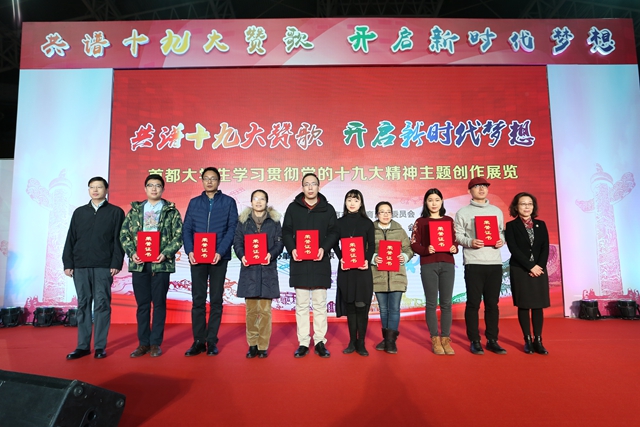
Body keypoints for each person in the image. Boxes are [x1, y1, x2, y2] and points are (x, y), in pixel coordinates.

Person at [119, 174, 183, 358]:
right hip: (139, 264)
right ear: (145, 188)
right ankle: (143, 343)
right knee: (143, 305)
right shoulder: (135, 211)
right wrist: (132, 252)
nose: (154, 188)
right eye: (150, 185)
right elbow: (124, 234)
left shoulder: (171, 211)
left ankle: (155, 343)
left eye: (158, 185)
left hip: (161, 264)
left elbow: (178, 236)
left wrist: (166, 253)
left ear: (163, 189)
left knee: (159, 304)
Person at [62, 176, 125, 360]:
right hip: (80, 265)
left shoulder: (116, 212)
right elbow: (70, 238)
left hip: (103, 266)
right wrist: (68, 263)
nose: (95, 190)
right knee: (83, 304)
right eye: (92, 187)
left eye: (99, 187)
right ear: (88, 190)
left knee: (102, 304)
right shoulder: (79, 212)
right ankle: (82, 346)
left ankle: (99, 346)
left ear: (106, 190)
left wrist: (116, 263)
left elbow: (119, 240)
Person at [282, 173, 339, 358]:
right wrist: (292, 249)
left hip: (320, 261)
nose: (310, 187)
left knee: (320, 304)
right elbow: (286, 231)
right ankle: (303, 342)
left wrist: (324, 248)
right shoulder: (293, 208)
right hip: (299, 262)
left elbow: (334, 232)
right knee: (302, 304)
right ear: (302, 188)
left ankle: (320, 341)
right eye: (306, 184)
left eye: (313, 184)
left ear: (318, 187)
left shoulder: (327, 209)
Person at [182, 167, 238, 356]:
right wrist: (190, 250)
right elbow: (187, 228)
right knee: (198, 299)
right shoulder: (194, 202)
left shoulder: (228, 202)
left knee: (216, 299)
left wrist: (220, 252)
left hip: (218, 258)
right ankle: (198, 340)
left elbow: (232, 228)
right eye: (206, 178)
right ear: (202, 180)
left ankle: (211, 340)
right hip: (197, 257)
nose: (209, 181)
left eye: (213, 178)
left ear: (219, 181)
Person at [454, 177, 507, 355]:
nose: (482, 189)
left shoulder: (496, 211)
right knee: (473, 303)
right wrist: (470, 242)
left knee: (492, 304)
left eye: (484, 186)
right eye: (477, 187)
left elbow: (501, 232)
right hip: (474, 262)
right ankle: (474, 340)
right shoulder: (463, 212)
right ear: (469, 191)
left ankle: (492, 340)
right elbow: (458, 235)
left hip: (494, 262)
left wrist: (501, 241)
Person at [233, 189, 284, 359]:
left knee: (265, 311)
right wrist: (242, 255)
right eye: (256, 198)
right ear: (251, 201)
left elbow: (279, 242)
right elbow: (237, 242)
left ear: (266, 202)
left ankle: (263, 345)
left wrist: (271, 254)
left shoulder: (274, 221)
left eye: (262, 199)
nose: (259, 201)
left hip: (267, 270)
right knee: (251, 311)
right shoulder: (243, 221)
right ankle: (252, 344)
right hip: (250, 271)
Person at [411, 189, 458, 355]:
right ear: (425, 202)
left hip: (447, 264)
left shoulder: (448, 220)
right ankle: (435, 339)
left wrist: (454, 248)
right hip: (428, 264)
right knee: (431, 303)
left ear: (442, 201)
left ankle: (446, 338)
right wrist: (425, 250)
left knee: (446, 303)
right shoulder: (421, 221)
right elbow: (414, 243)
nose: (434, 203)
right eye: (430, 200)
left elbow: (455, 240)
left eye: (437, 200)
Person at [505, 192, 550, 355]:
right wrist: (530, 266)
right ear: (516, 207)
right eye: (523, 204)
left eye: (530, 204)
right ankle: (528, 340)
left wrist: (539, 267)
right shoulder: (511, 226)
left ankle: (538, 340)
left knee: (538, 305)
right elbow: (514, 249)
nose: (527, 207)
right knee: (524, 305)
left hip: (539, 270)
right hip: (520, 269)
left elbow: (545, 247)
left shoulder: (541, 225)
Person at [334, 190, 375, 356]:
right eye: (349, 200)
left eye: (356, 200)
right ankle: (352, 341)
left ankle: (361, 342)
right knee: (350, 306)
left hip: (362, 270)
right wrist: (341, 258)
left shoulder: (367, 223)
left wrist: (366, 260)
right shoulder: (339, 222)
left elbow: (372, 245)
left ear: (361, 203)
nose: (352, 203)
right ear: (345, 202)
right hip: (346, 270)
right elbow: (334, 244)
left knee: (361, 306)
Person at [372, 201, 413, 354]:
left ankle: (390, 342)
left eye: (388, 211)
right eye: (382, 211)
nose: (385, 214)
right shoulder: (371, 230)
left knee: (394, 309)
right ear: (377, 214)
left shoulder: (399, 230)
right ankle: (387, 339)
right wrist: (373, 258)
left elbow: (409, 249)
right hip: (378, 275)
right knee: (383, 310)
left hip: (397, 276)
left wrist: (405, 256)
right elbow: (366, 249)